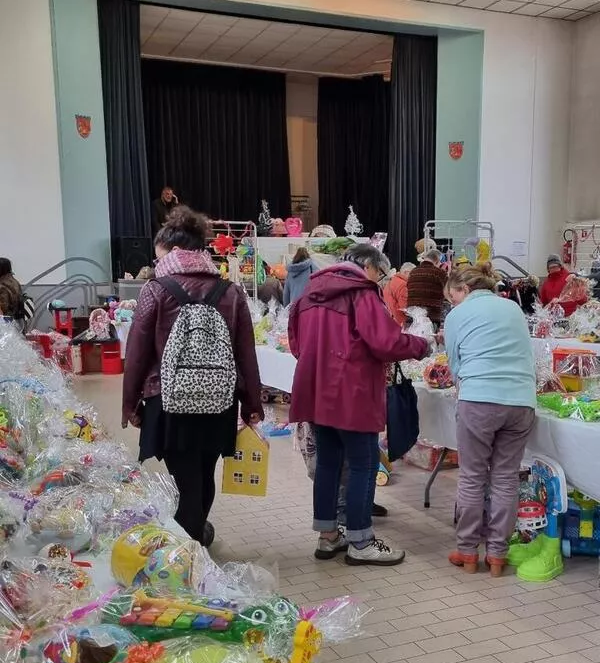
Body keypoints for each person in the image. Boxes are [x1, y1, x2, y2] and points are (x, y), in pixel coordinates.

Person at [122, 206, 263, 546]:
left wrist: (131, 406)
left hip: (169, 399)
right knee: (204, 470)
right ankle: (197, 531)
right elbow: (246, 352)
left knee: (184, 475)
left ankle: (190, 546)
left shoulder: (156, 289)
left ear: (172, 251)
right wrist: (252, 403)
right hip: (220, 399)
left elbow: (138, 353)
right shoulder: (230, 291)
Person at [288, 243, 429, 566]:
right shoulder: (361, 294)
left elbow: (296, 342)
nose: (380, 280)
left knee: (328, 463)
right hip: (352, 393)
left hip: (316, 391)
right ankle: (361, 541)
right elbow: (385, 342)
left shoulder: (310, 293)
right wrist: (422, 344)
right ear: (368, 266)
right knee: (364, 465)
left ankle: (328, 536)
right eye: (380, 273)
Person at [443, 262, 536, 577]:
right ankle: (498, 554)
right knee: (506, 478)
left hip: (480, 398)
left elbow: (455, 364)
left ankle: (468, 551)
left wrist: (462, 385)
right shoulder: (513, 308)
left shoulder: (457, 315)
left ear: (464, 290)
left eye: (452, 298)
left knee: (472, 476)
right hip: (522, 401)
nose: (452, 305)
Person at [406, 248, 447, 328]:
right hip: (431, 316)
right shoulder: (439, 273)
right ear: (437, 261)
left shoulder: (413, 272)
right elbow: (449, 290)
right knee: (430, 340)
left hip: (412, 315)